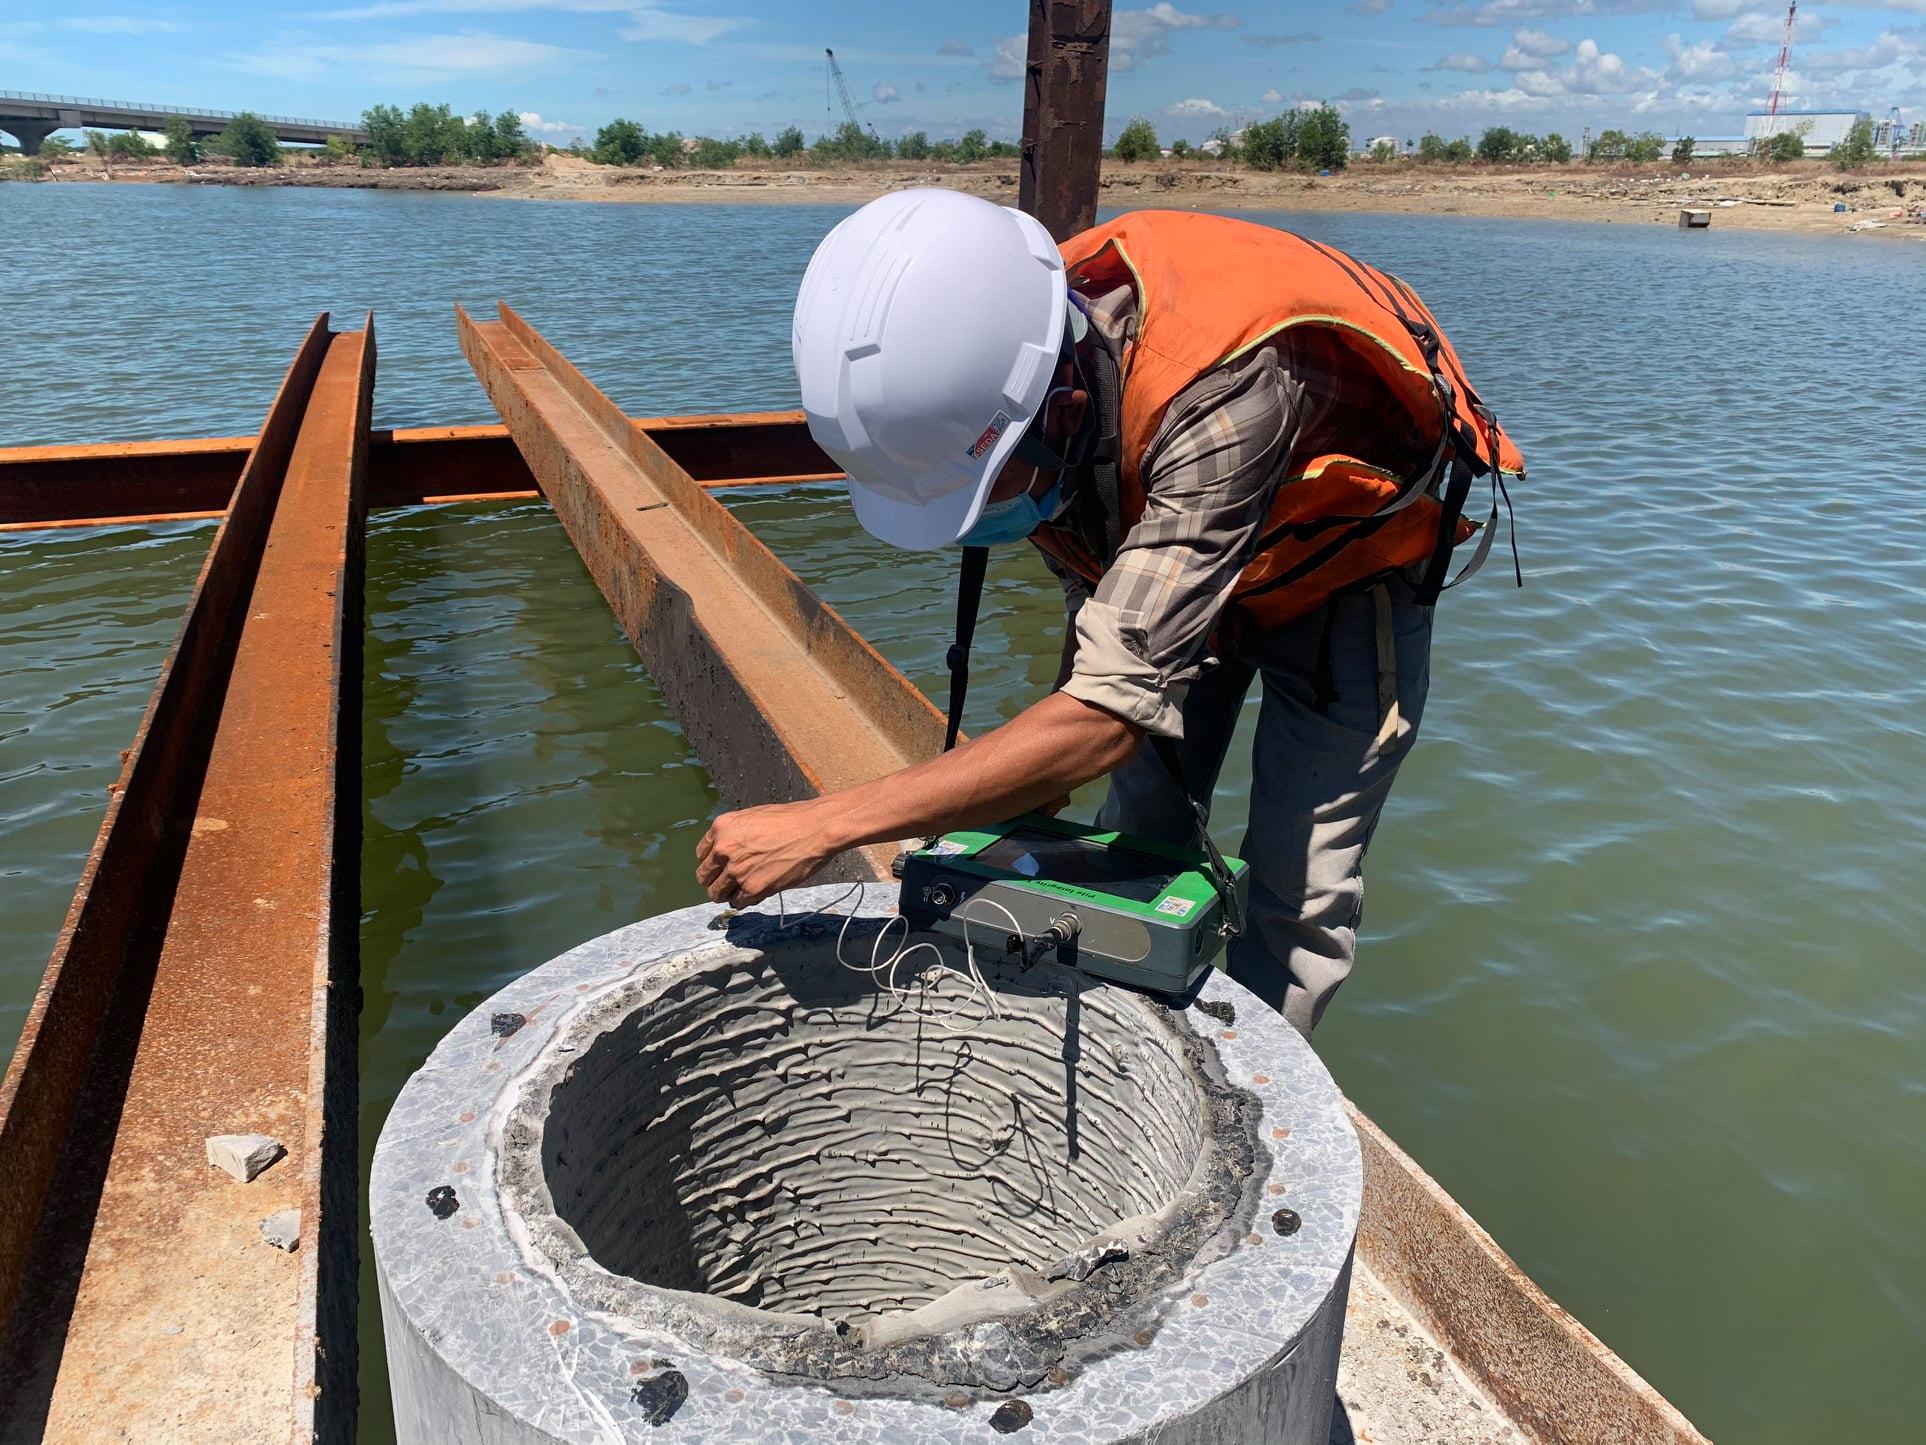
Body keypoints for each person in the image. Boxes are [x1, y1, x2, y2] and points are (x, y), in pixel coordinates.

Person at [696, 189, 1523, 1035]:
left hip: (1344, 566)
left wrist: (825, 822)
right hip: (1185, 537)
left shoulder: (1225, 390)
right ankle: (1136, 1029)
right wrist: (1010, 800)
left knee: (1298, 886)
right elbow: (1098, 613)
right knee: (1134, 831)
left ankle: (1263, 1078)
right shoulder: (1016, 360)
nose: (990, 520)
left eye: (991, 490)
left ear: (1061, 406)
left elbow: (1106, 716)